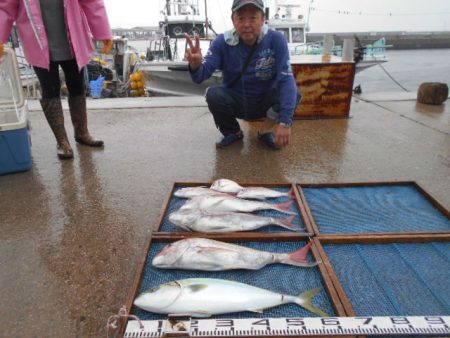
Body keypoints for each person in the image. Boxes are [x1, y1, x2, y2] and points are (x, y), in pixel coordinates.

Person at [0, 0, 113, 159]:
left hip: (73, 42)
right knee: (50, 91)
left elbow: (92, 2)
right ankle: (62, 141)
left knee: (77, 87)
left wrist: (103, 32)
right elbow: (5, 8)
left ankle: (82, 133)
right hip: (38, 44)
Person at [185, 0, 301, 149]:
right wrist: (195, 65)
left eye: (253, 18)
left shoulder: (276, 39)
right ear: (233, 19)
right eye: (240, 18)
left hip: (264, 101)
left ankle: (265, 130)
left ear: (262, 18)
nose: (247, 24)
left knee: (294, 93)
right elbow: (200, 76)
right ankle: (232, 132)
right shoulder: (221, 42)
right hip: (237, 101)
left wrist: (285, 121)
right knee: (213, 94)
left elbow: (286, 79)